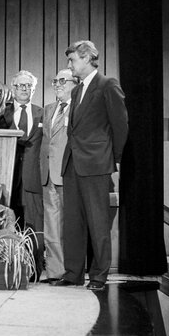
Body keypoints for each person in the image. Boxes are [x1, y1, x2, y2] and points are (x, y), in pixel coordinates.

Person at [52, 40, 128, 291]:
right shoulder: (76, 91)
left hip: (96, 165)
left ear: (86, 58)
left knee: (98, 222)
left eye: (72, 60)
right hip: (73, 163)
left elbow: (120, 126)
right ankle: (73, 273)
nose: (69, 65)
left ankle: (98, 276)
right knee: (72, 222)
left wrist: (113, 159)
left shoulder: (108, 85)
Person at [4, 70, 44, 276]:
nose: (24, 89)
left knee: (34, 225)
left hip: (33, 177)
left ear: (33, 89)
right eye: (20, 85)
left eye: (28, 86)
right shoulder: (3, 114)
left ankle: (35, 269)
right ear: (13, 88)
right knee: (9, 223)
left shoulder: (42, 113)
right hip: (8, 177)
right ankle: (9, 267)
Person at [40, 69, 78, 282]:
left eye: (62, 80)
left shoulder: (79, 108)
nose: (57, 84)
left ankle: (72, 271)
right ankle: (55, 272)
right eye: (55, 81)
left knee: (70, 226)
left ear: (75, 83)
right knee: (51, 227)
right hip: (48, 176)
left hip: (68, 174)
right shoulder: (48, 109)